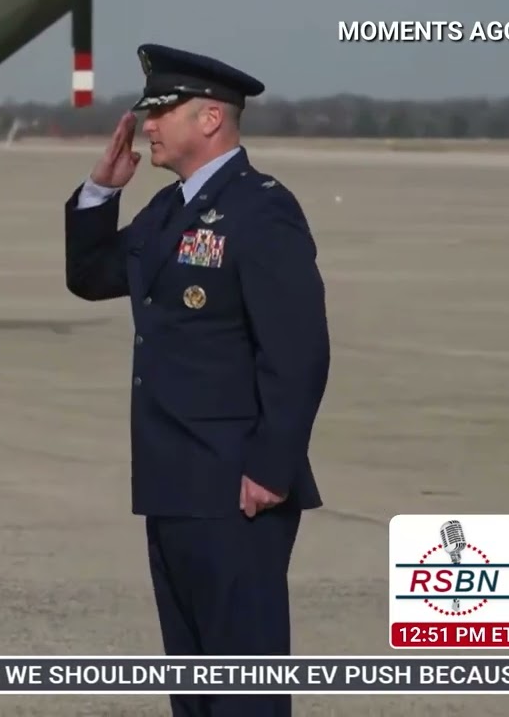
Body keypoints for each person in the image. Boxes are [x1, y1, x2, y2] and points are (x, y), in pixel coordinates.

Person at [63, 45, 330, 717]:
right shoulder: (166, 210)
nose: (145, 124)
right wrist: (102, 191)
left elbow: (297, 351)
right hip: (173, 481)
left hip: (236, 486)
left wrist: (272, 469)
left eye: (161, 110)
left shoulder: (260, 209)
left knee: (243, 684)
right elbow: (93, 277)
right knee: (195, 685)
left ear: (210, 118)